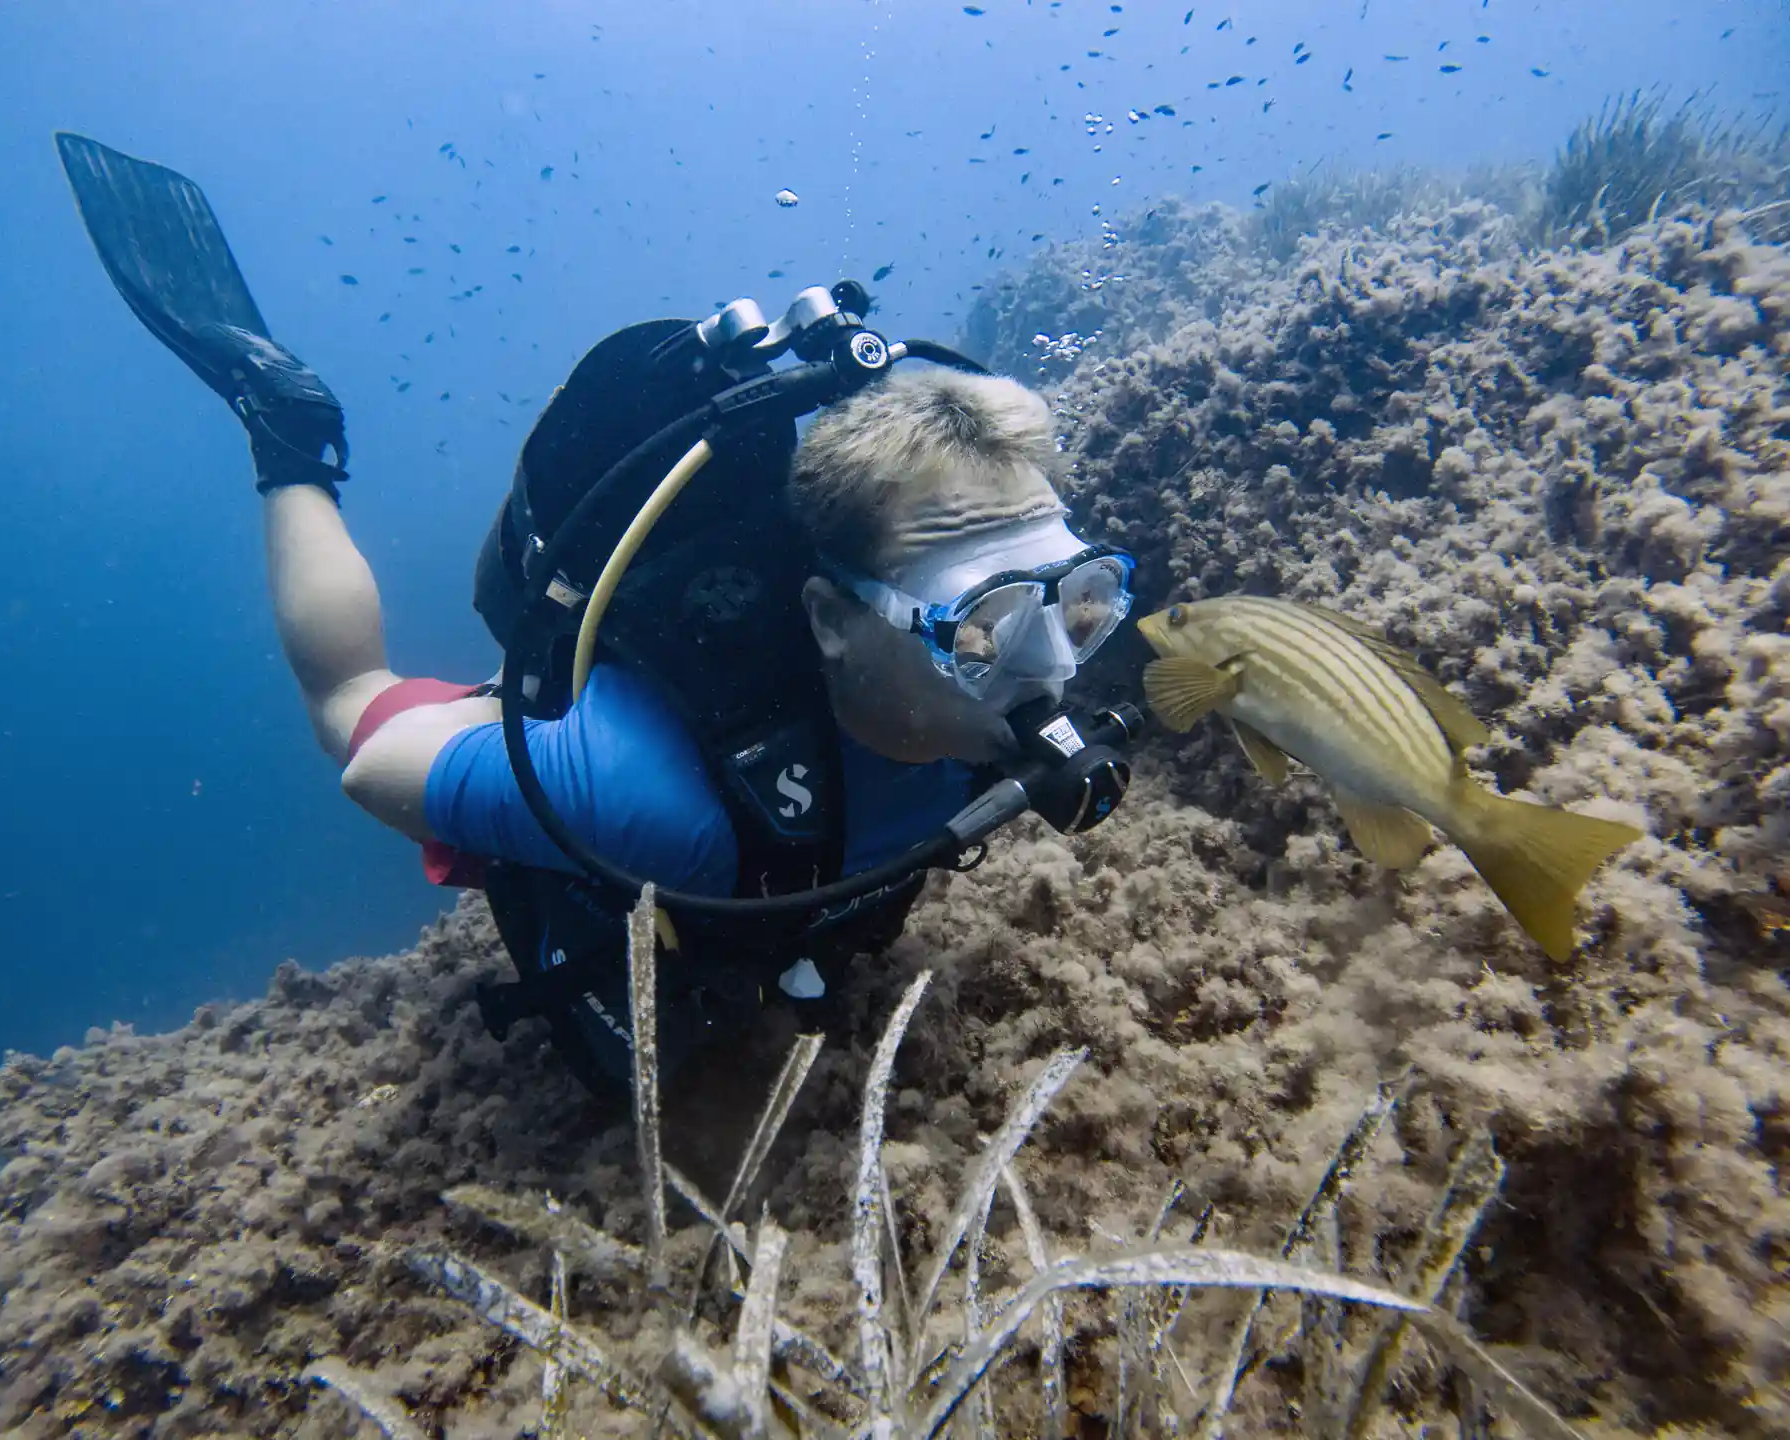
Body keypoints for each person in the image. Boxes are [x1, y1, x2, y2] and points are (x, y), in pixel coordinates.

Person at [58, 133, 1140, 1090]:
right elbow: (370, 761)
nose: (1049, 667)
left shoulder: (994, 696)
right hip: (661, 746)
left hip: (788, 845)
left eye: (1082, 603)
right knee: (349, 698)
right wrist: (497, 735)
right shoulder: (654, 800)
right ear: (830, 619)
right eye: (981, 625)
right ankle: (291, 436)